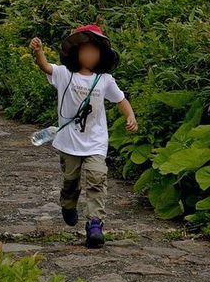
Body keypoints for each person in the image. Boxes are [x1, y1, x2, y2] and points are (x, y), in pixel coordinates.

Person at [29, 24, 137, 248]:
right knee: (71, 181)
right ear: (76, 52)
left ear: (101, 55)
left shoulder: (105, 80)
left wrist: (130, 115)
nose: (89, 55)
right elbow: (46, 67)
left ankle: (95, 223)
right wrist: (38, 52)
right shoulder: (64, 74)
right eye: (85, 50)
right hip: (69, 143)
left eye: (94, 51)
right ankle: (68, 203)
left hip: (96, 142)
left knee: (97, 179)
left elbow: (120, 100)